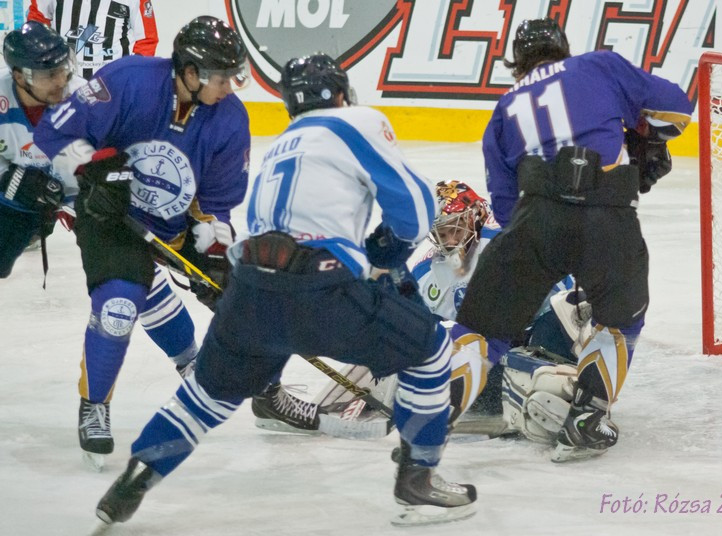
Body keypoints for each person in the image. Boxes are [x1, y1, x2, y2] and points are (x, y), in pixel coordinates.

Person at [90, 52, 477, 529]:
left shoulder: (280, 143)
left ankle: (136, 477)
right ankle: (418, 481)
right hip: (323, 290)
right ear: (338, 93)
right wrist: (387, 251)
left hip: (251, 290)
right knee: (431, 351)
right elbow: (417, 210)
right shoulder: (355, 121)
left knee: (205, 397)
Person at [455, 18, 693, 462]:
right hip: (607, 218)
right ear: (564, 48)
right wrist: (636, 133)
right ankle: (588, 417)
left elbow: (506, 209)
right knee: (623, 320)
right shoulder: (598, 66)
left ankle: (434, 413)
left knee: (482, 328)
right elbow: (677, 111)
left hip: (536, 220)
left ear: (516, 64)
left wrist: (543, 254)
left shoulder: (505, 108)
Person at [34, 16, 250, 469]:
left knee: (243, 286)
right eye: (220, 77)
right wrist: (88, 168)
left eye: (233, 76)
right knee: (119, 305)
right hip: (109, 215)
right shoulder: (128, 80)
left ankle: (260, 386)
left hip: (173, 221)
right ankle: (94, 404)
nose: (229, 86)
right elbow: (55, 131)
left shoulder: (231, 119)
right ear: (189, 72)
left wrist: (215, 253)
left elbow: (216, 204)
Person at [252, 180, 588, 445]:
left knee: (562, 321)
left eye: (455, 228)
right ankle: (532, 399)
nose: (447, 239)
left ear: (474, 218)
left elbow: (561, 295)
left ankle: (564, 392)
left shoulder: (506, 243)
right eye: (440, 232)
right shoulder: (429, 271)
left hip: (536, 342)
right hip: (484, 359)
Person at [0, 21, 79, 279]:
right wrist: (7, 178)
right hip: (18, 201)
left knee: (118, 273)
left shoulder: (84, 97)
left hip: (84, 201)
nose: (60, 81)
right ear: (20, 76)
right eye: (48, 75)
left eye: (62, 69)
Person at [28, 0, 158, 80]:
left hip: (113, 84)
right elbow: (37, 23)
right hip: (64, 81)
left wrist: (131, 76)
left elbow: (147, 40)